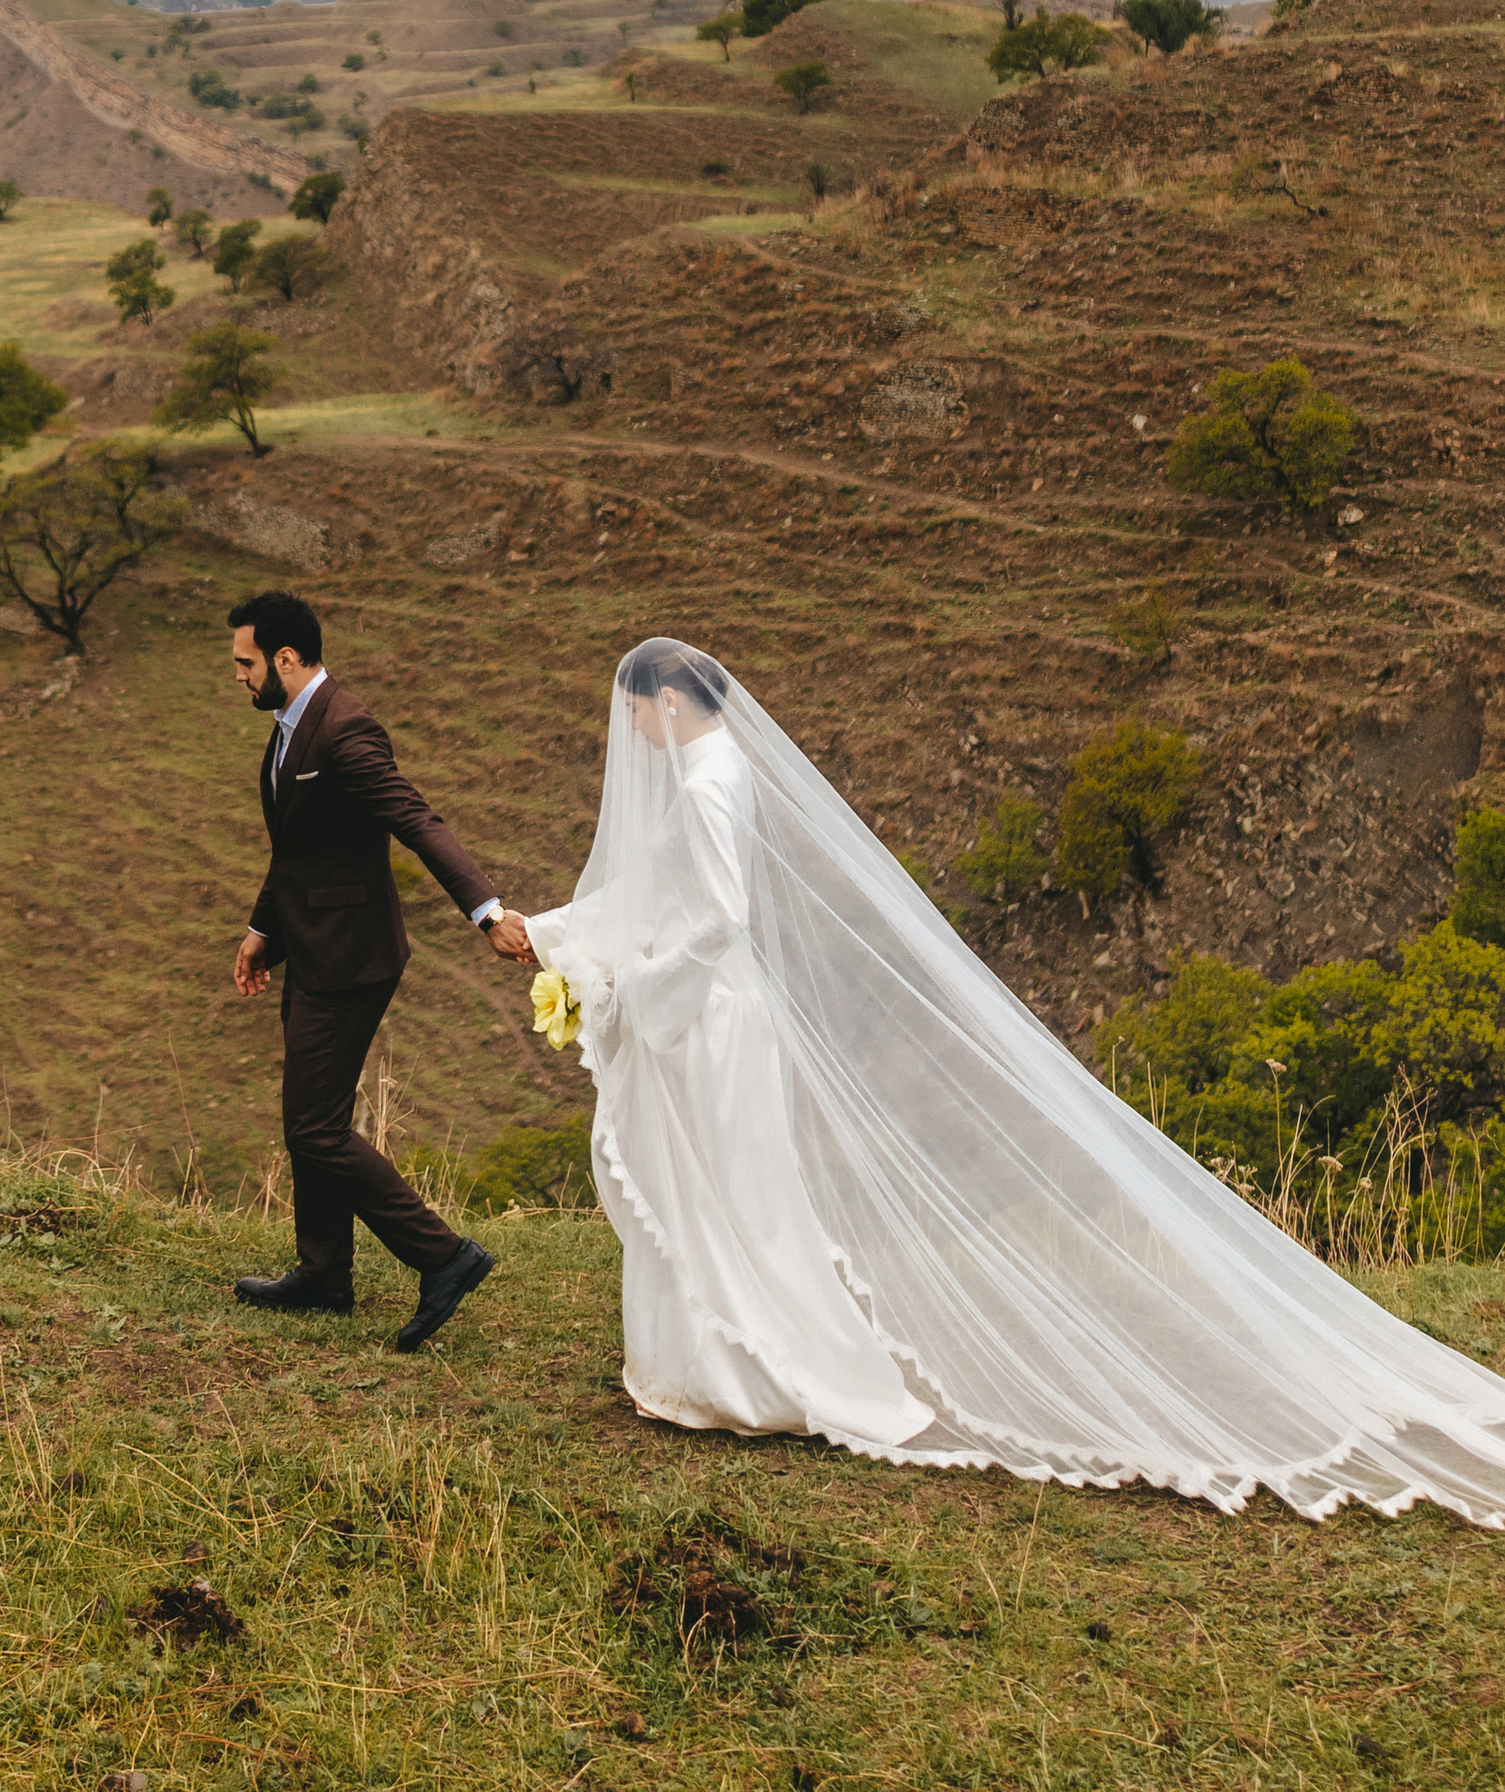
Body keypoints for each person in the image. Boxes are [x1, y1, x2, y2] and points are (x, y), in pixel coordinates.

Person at [522, 637, 1505, 1522]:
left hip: (708, 1017)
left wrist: (626, 988)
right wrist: (554, 938)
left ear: (672, 704)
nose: (633, 730)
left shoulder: (701, 785)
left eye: (637, 711)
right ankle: (711, 1367)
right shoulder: (715, 768)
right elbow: (648, 886)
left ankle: (750, 1374)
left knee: (733, 1195)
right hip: (711, 1014)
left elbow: (713, 920)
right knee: (729, 1197)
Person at [228, 588, 530, 1352]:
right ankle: (324, 1276)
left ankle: (445, 1256)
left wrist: (487, 913)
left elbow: (414, 819)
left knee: (316, 1128)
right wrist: (263, 930)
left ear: (286, 660)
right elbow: (298, 849)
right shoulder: (291, 726)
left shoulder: (345, 728)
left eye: (245, 662)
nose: (236, 676)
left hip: (352, 958)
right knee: (309, 1122)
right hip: (312, 940)